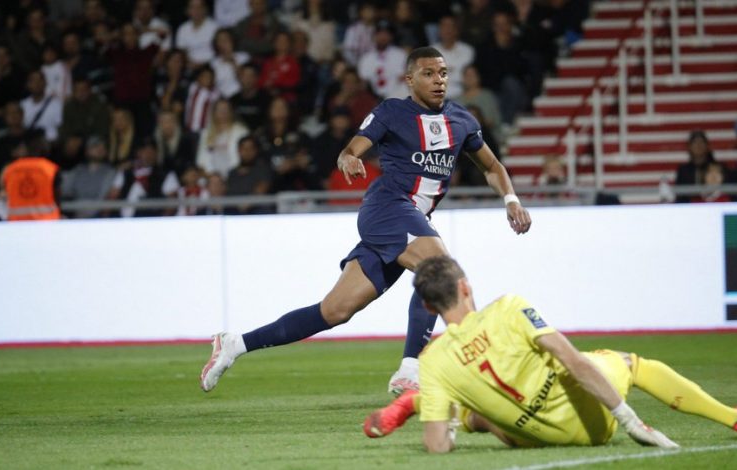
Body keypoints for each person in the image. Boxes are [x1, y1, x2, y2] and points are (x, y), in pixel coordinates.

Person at [199, 47, 531, 396]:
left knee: (334, 310)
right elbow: (351, 149)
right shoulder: (392, 111)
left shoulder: (462, 120)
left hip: (410, 221)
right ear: (410, 79)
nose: (439, 81)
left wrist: (511, 200)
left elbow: (493, 167)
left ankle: (235, 344)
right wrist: (348, 158)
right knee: (440, 270)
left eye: (443, 73)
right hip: (387, 207)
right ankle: (413, 369)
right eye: (429, 73)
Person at [363, 256, 737, 452]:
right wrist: (630, 420)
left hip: (533, 439)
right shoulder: (508, 308)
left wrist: (447, 429)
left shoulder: (433, 361)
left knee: (485, 409)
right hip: (594, 421)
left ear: (428, 307)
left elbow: (437, 447)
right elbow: (574, 361)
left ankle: (417, 401)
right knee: (630, 364)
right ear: (465, 287)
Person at [0, 151, 61, 221]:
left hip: (16, 222)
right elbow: (57, 194)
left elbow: (3, 192)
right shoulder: (49, 168)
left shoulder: (9, 169)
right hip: (47, 221)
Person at [674, 130, 716, 203]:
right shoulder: (683, 171)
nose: (698, 145)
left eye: (701, 142)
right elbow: (679, 196)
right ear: (689, 147)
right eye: (695, 142)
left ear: (707, 146)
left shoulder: (717, 168)